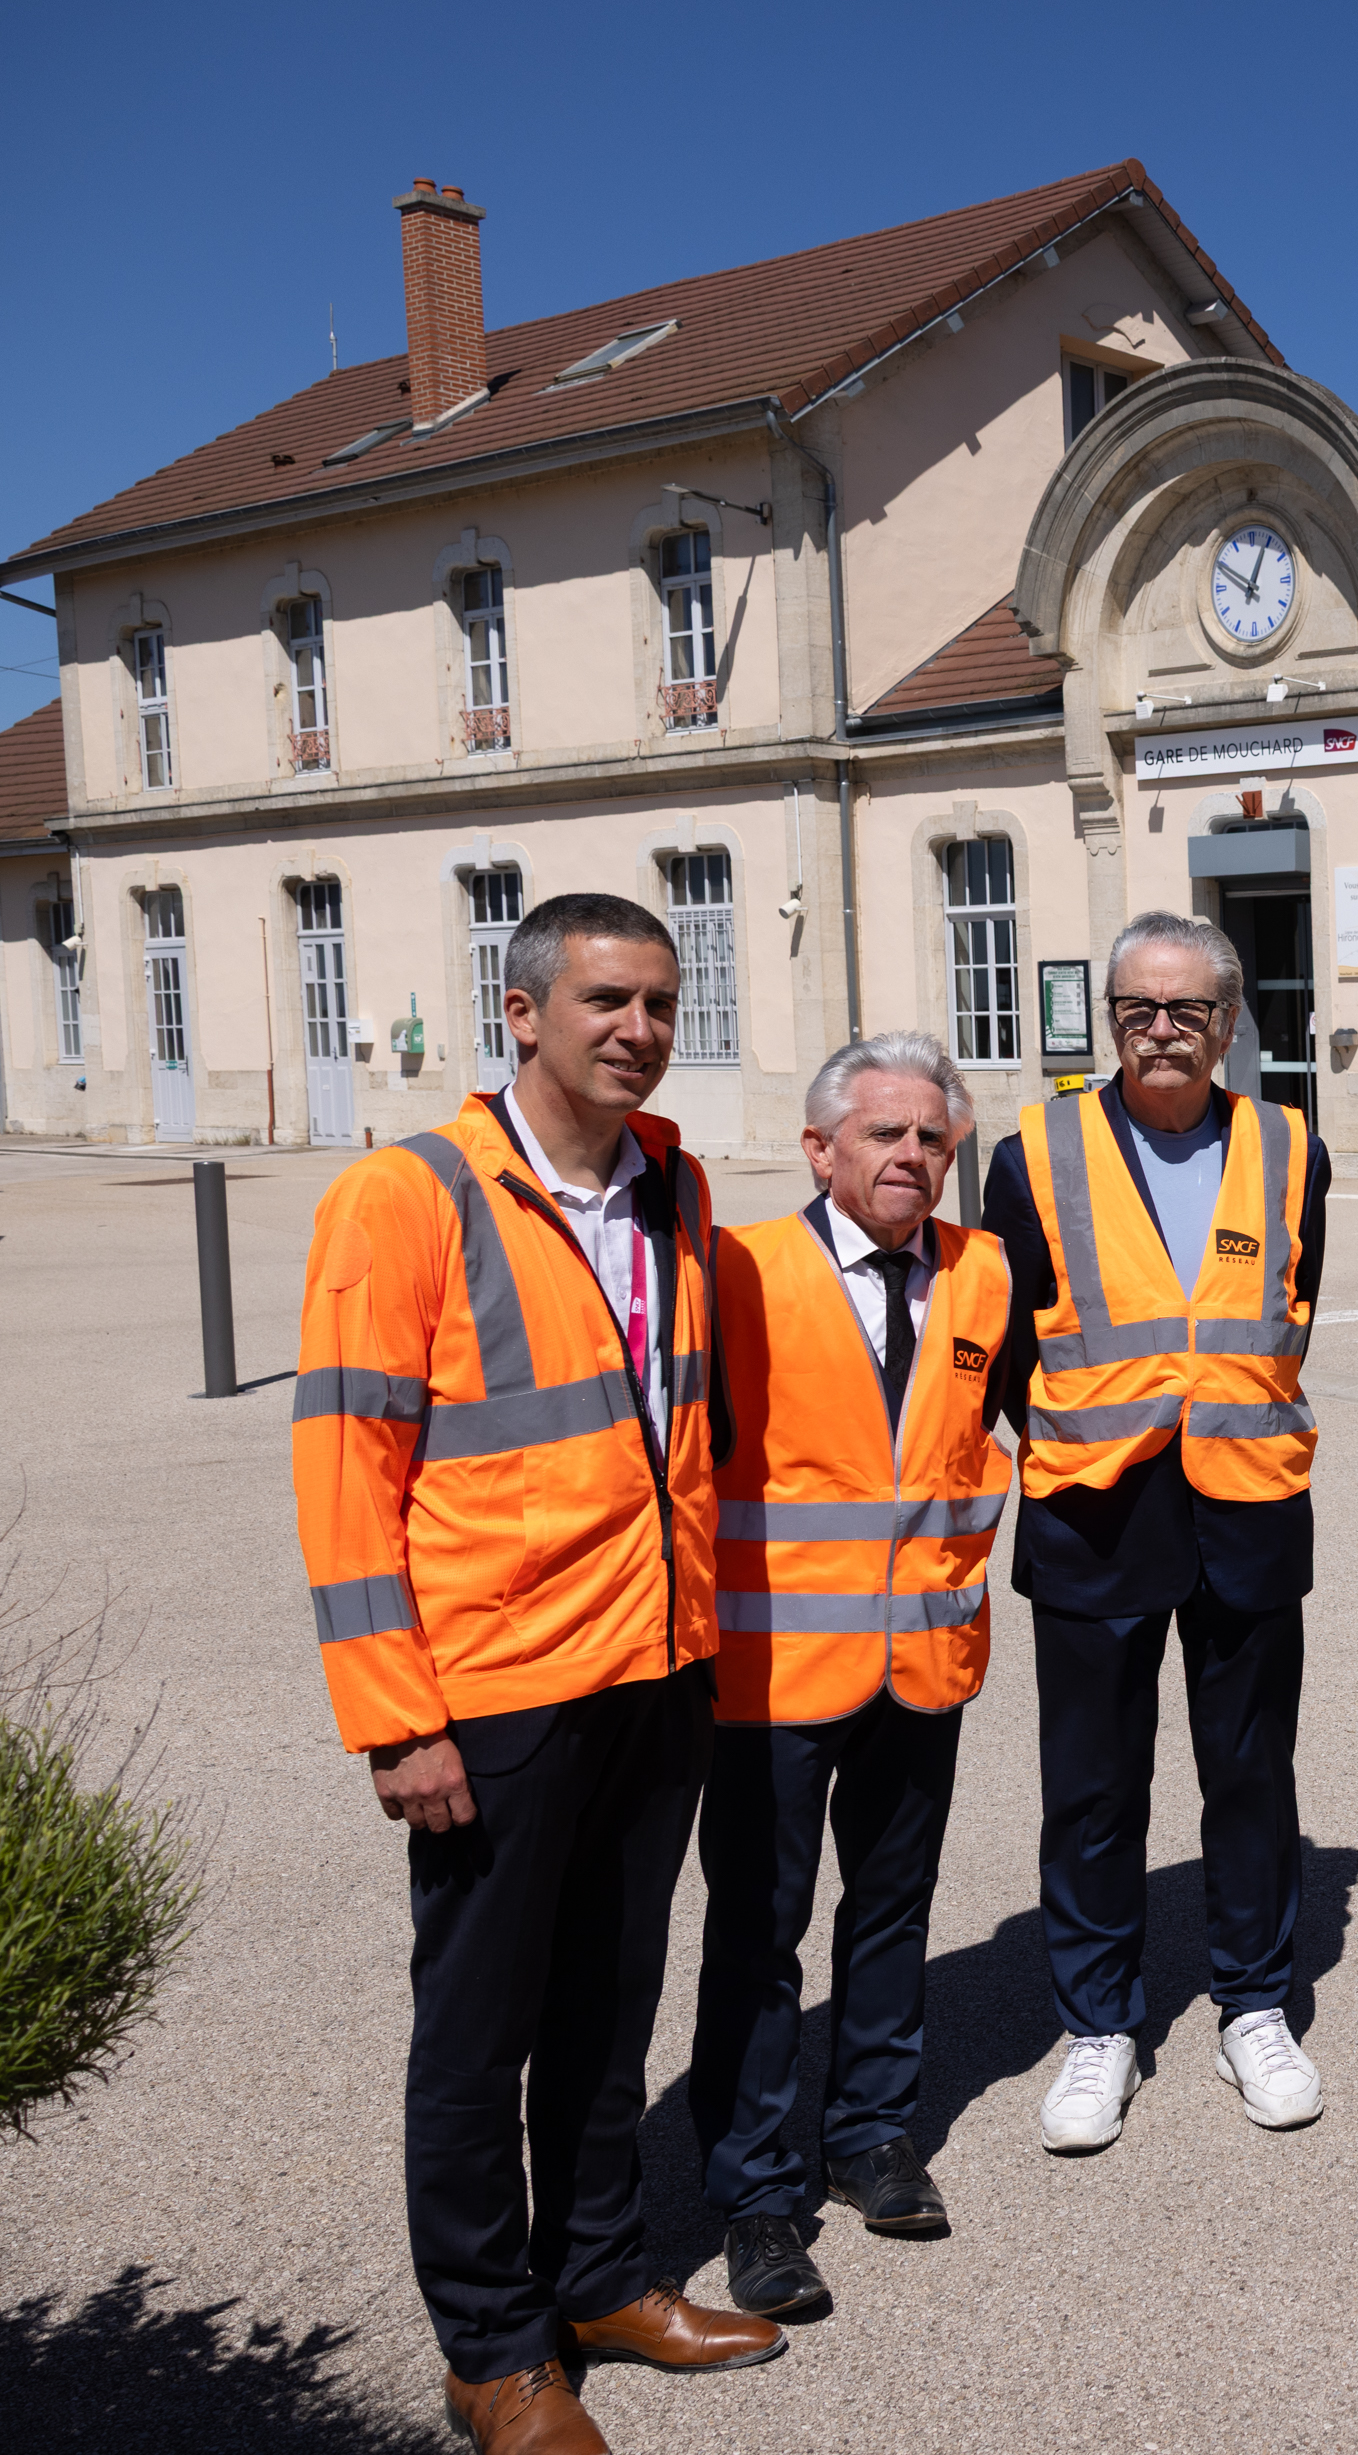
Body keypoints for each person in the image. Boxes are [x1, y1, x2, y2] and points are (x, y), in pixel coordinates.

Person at [292, 893, 779, 2455]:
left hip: (655, 1666)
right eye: (606, 1000)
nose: (638, 1027)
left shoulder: (675, 1186)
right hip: (492, 1688)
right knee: (478, 2028)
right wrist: (395, 1716)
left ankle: (599, 2278)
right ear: (521, 1015)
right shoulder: (408, 1196)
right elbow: (346, 1468)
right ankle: (492, 2349)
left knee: (606, 2002)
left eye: (660, 998)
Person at [982, 911, 1334, 2153]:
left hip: (1246, 1504)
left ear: (1231, 1023)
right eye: (1139, 1008)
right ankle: (1098, 2024)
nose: (1163, 1029)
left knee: (1249, 1776)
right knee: (1092, 1786)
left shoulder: (1294, 1148)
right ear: (1110, 1019)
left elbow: (1288, 1312)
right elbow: (1008, 1339)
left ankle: (1253, 2002)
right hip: (1095, 1509)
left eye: (1189, 1009)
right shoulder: (1032, 1152)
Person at [688, 1034, 1018, 2316]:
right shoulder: (738, 1271)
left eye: (933, 1137)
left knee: (892, 1909)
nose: (913, 1157)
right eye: (885, 1135)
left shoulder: (982, 1273)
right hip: (770, 1671)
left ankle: (875, 2133)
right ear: (819, 1147)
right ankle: (758, 2190)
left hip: (923, 1660)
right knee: (758, 1931)